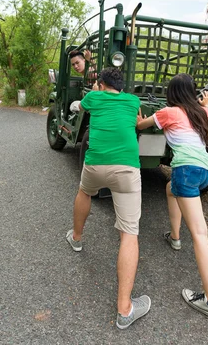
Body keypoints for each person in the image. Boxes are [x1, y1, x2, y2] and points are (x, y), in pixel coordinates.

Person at [65, 67, 150, 329]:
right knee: (129, 232)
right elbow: (137, 122)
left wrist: (86, 97)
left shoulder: (94, 96)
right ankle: (125, 309)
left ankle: (76, 238)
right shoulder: (133, 100)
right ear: (121, 86)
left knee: (84, 192)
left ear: (101, 84)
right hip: (126, 168)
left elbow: (77, 106)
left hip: (95, 165)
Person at [136, 73, 208, 321]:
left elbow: (141, 126)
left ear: (172, 93)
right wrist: (207, 105)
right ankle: (174, 237)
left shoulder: (169, 112)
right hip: (206, 170)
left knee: (200, 234)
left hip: (187, 169)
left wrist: (140, 118)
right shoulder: (199, 113)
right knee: (170, 188)